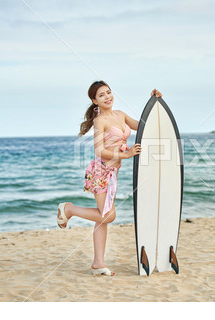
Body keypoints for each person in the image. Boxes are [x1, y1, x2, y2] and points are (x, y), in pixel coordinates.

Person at [57, 80, 162, 276]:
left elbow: (143, 127)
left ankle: (98, 263)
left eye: (109, 92)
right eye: (102, 95)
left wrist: (153, 103)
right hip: (100, 172)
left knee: (102, 218)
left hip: (113, 173)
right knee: (108, 215)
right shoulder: (100, 121)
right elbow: (100, 150)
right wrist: (127, 154)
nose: (107, 97)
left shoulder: (120, 115)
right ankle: (69, 209)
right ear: (94, 100)